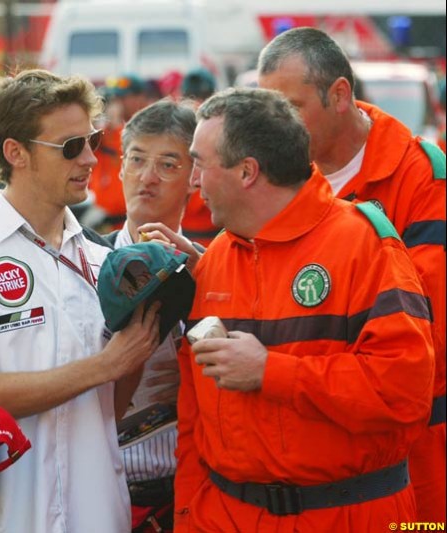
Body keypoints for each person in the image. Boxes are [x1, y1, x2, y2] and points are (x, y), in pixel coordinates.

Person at [172, 87, 434, 531]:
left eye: (200, 162)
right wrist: (189, 516)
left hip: (348, 516)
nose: (192, 181)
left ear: (247, 172)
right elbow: (193, 422)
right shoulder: (215, 260)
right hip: (225, 516)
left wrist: (272, 372)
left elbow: (405, 392)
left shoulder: (363, 245)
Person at [0, 68, 161, 533]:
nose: (91, 158)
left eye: (92, 140)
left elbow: (110, 405)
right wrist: (105, 366)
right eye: (71, 146)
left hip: (96, 512)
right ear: (16, 152)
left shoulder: (103, 257)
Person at [257, 27, 446, 522]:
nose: (276, 127)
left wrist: (283, 363)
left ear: (340, 95)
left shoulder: (420, 175)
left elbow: (427, 330)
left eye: (290, 108)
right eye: (268, 111)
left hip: (415, 443)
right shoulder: (281, 177)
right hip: (311, 442)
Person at [105, 98, 197, 532]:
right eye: (137, 160)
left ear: (196, 176)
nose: (147, 177)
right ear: (120, 167)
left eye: (168, 164)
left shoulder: (215, 266)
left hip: (197, 490)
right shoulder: (79, 262)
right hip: (107, 491)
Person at [87, 74, 150, 230]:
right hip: (102, 221)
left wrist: (115, 126)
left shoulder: (147, 131)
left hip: (132, 223)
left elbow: (122, 151)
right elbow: (87, 145)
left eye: (122, 98)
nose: (118, 104)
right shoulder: (104, 134)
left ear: (139, 98)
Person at [178, 67, 221, 247]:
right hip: (183, 236)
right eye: (192, 96)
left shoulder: (222, 131)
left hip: (215, 237)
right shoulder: (176, 131)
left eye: (203, 96)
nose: (197, 103)